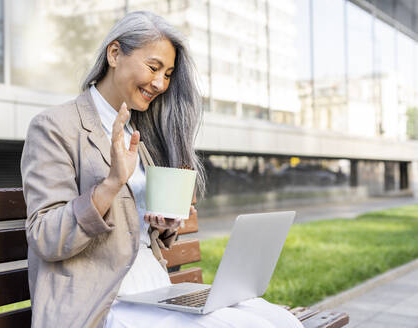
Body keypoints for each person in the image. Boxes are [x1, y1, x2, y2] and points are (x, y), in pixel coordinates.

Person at [21, 10, 303, 328]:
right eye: (153, 67)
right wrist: (111, 184)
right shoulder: (55, 126)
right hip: (95, 300)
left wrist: (160, 223)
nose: (160, 83)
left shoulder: (137, 132)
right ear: (114, 54)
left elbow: (133, 226)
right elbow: (44, 237)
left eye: (167, 74)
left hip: (151, 286)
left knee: (280, 321)